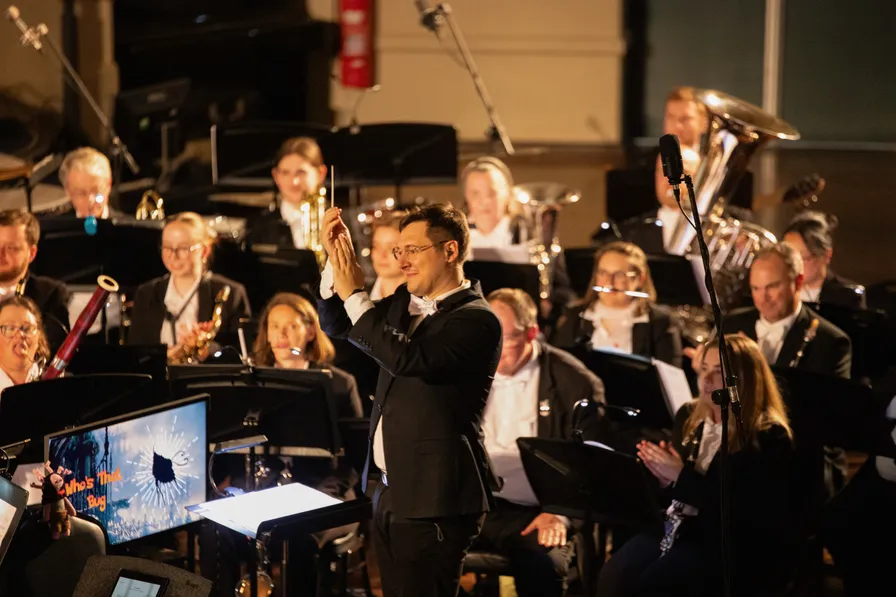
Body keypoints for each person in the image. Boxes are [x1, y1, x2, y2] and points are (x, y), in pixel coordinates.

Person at [317, 203, 501, 597]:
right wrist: (335, 263)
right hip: (389, 489)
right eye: (398, 251)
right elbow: (341, 326)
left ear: (450, 251)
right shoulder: (404, 301)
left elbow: (407, 359)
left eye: (412, 250)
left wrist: (355, 293)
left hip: (436, 498)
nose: (401, 261)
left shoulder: (478, 320)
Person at [596, 334, 797, 597]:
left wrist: (680, 476)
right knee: (612, 577)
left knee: (651, 585)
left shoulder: (767, 435)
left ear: (743, 379)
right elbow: (670, 495)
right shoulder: (689, 416)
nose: (707, 379)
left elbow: (741, 511)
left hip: (721, 542)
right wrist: (659, 475)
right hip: (674, 526)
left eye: (719, 371)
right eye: (704, 369)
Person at [472, 287, 606, 597]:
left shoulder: (575, 383)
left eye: (506, 339)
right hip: (477, 507)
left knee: (542, 566)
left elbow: (591, 465)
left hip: (538, 513)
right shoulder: (469, 371)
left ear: (532, 332)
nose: (493, 349)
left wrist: (559, 514)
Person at [128, 212, 250, 359]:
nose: (173, 255)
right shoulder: (146, 293)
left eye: (183, 248)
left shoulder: (231, 293)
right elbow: (135, 353)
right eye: (167, 247)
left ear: (204, 250)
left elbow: (242, 353)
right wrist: (171, 354)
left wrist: (206, 348)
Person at [722, 242, 851, 378]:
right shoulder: (731, 325)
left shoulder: (831, 343)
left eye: (772, 286)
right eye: (756, 288)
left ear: (798, 282)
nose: (763, 298)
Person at [552, 241, 682, 367]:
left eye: (619, 275)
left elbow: (670, 377)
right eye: (603, 273)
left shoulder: (660, 322)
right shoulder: (575, 316)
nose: (609, 282)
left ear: (639, 279)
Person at [252, 292, 363, 419]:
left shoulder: (340, 384)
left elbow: (354, 437)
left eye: (292, 326)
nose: (281, 334)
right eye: (275, 326)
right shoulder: (251, 382)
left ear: (310, 332)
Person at [0, 209, 70, 354]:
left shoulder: (50, 293)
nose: (1, 253)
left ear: (31, 253)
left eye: (12, 248)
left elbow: (54, 352)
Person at [245, 136, 329, 249]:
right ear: (276, 176)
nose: (294, 182)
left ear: (321, 173)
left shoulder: (344, 224)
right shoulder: (259, 228)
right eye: (285, 173)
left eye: (301, 172)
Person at [782, 210, 866, 310]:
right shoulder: (779, 292)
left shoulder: (847, 296)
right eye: (788, 259)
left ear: (827, 256)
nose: (793, 266)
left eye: (803, 259)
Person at [0, 296, 50, 394]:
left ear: (39, 338)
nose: (20, 335)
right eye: (10, 328)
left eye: (27, 329)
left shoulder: (60, 383)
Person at [56, 147, 119, 219]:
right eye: (81, 193)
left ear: (108, 185)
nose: (90, 201)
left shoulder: (129, 228)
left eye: (97, 191)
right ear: (68, 192)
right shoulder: (57, 227)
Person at [368, 210, 407, 300]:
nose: (381, 255)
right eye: (376, 246)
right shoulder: (360, 296)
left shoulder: (425, 304)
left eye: (391, 248)